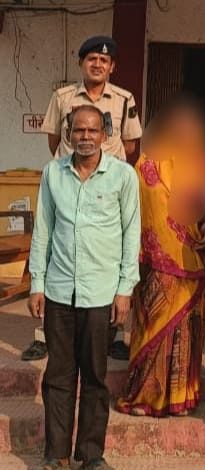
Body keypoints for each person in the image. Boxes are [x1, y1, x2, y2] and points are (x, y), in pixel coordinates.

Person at [28, 104, 141, 470]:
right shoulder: (53, 173)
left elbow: (131, 234)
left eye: (93, 130)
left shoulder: (123, 176)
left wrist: (125, 289)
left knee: (95, 376)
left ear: (105, 134)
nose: (86, 137)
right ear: (68, 134)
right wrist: (37, 284)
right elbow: (43, 230)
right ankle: (56, 454)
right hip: (59, 291)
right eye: (79, 130)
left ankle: (91, 455)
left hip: (101, 293)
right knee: (58, 376)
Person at [23, 35, 143, 362]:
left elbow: (130, 144)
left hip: (107, 186)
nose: (97, 64)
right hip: (69, 182)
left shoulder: (124, 99)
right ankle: (44, 335)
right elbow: (54, 140)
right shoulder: (62, 97)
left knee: (109, 253)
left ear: (112, 66)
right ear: (81, 63)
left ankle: (113, 334)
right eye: (91, 59)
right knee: (56, 246)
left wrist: (106, 168)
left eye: (104, 60)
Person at [116, 95, 205, 417]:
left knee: (187, 331)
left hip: (193, 261)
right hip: (153, 265)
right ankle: (143, 396)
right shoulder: (145, 164)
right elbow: (131, 213)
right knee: (151, 331)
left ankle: (181, 397)